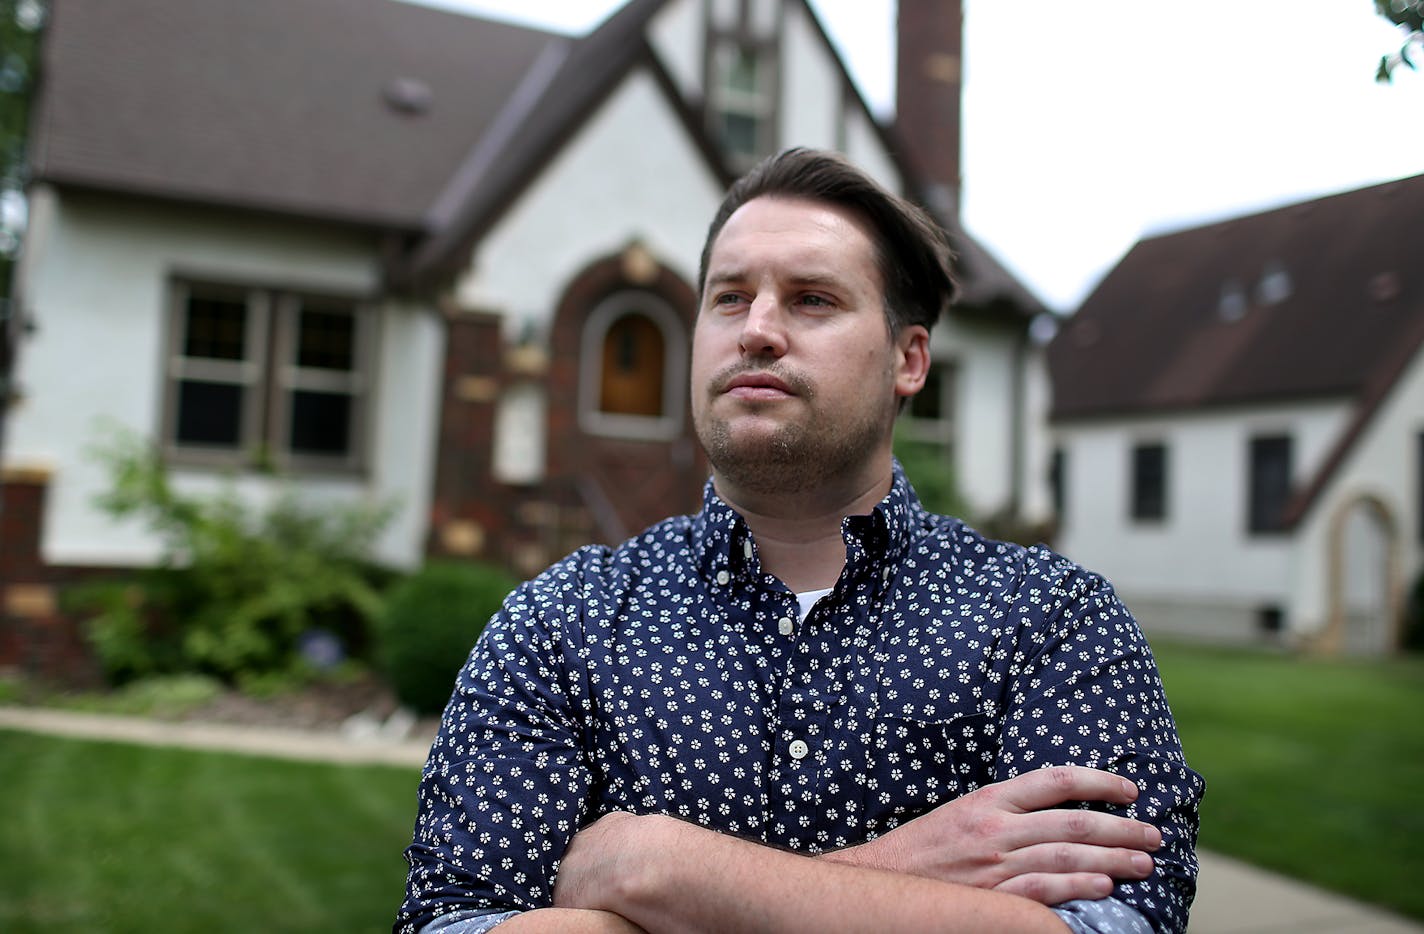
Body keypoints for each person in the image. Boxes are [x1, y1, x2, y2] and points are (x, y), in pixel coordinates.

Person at [395, 148, 1203, 934]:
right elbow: (450, 919)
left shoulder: (1050, 622)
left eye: (812, 299)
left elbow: (1113, 923)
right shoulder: (563, 622)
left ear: (908, 359)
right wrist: (903, 872)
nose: (758, 330)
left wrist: (650, 867)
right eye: (729, 297)